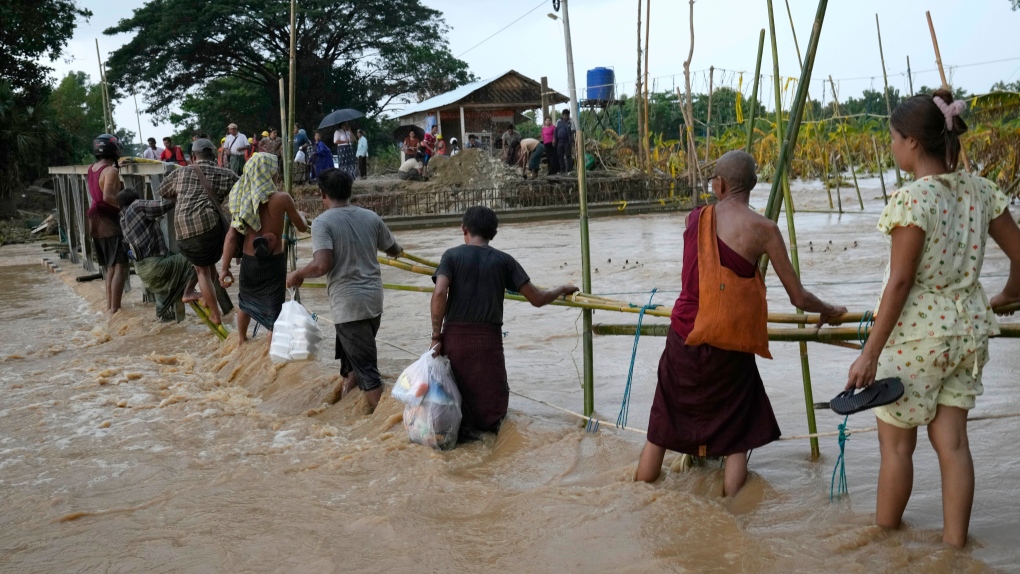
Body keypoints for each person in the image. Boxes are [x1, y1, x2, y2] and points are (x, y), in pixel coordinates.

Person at [844, 90, 1020, 547]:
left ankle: (883, 545)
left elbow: (899, 285)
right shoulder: (980, 191)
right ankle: (955, 549)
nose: (892, 146)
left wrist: (869, 354)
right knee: (954, 446)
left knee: (897, 449)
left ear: (913, 144)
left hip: (915, 341)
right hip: (967, 337)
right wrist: (1005, 296)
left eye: (894, 138)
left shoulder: (913, 200)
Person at [635, 150, 845, 497]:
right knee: (736, 433)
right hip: (730, 345)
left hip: (685, 337)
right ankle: (733, 507)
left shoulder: (695, 219)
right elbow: (799, 298)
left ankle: (640, 495)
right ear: (754, 185)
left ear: (718, 185)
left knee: (662, 425)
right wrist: (830, 309)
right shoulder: (764, 230)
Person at [430, 206, 578, 439]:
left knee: (455, 401)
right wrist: (561, 288)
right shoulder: (504, 261)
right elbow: (537, 299)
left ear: (464, 230)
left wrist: (436, 337)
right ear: (493, 233)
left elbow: (440, 293)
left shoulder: (451, 256)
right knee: (491, 408)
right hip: (488, 343)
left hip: (456, 341)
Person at [286, 168, 403, 410]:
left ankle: (385, 427)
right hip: (372, 303)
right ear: (350, 191)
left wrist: (298, 274)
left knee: (368, 371)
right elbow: (394, 249)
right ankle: (346, 415)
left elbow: (321, 265)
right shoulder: (371, 217)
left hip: (349, 307)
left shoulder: (322, 223)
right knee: (351, 368)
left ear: (322, 194)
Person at [220, 153, 309, 346]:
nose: (277, 175)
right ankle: (270, 356)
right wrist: (301, 215)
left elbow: (232, 236)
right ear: (269, 173)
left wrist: (225, 268)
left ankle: (241, 342)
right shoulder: (283, 199)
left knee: (245, 303)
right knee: (274, 311)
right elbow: (301, 227)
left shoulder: (244, 200)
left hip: (249, 262)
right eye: (274, 171)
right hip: (274, 263)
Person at [157, 138, 239, 327]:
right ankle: (212, 310)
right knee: (204, 268)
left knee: (202, 268)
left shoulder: (182, 172)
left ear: (193, 157)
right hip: (210, 229)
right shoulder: (226, 174)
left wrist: (182, 196)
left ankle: (200, 302)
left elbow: (161, 191)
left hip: (183, 231)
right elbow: (242, 190)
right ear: (214, 156)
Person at [117, 188, 198, 322]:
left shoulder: (123, 219)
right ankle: (188, 291)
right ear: (135, 199)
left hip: (143, 270)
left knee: (164, 314)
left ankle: (166, 325)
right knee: (198, 258)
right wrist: (180, 192)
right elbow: (164, 205)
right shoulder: (137, 206)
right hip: (156, 266)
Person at [86, 134, 128, 314]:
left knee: (110, 266)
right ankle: (115, 309)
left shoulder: (92, 168)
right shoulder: (111, 171)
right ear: (115, 150)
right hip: (108, 219)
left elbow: (99, 186)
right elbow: (108, 196)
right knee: (121, 265)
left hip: (95, 219)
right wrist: (128, 207)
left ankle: (110, 308)